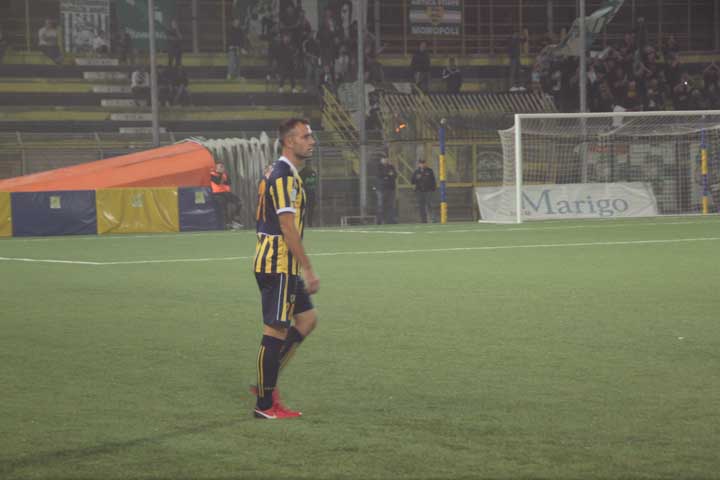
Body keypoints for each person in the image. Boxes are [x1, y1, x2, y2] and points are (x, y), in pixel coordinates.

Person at [252, 118, 319, 419]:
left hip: (282, 263)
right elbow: (287, 227)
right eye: (305, 137)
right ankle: (264, 405)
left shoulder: (280, 172)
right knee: (275, 330)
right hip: (278, 263)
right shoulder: (283, 176)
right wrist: (308, 269)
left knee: (306, 319)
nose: (312, 141)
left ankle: (266, 381)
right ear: (289, 141)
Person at [210, 162, 242, 229]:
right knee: (224, 207)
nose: (222, 168)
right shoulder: (212, 174)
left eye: (223, 167)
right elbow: (217, 182)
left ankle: (234, 219)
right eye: (220, 167)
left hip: (226, 193)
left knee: (239, 203)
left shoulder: (225, 175)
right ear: (216, 168)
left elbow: (229, 182)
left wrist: (222, 176)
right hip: (217, 194)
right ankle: (227, 224)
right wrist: (221, 175)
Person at [411, 159, 437, 223]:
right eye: (421, 163)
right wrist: (417, 178)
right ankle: (423, 220)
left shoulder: (429, 171)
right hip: (420, 191)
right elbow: (412, 181)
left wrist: (433, 188)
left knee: (429, 204)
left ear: (425, 163)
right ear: (419, 164)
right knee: (421, 206)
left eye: (423, 163)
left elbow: (433, 180)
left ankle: (433, 218)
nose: (422, 164)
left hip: (428, 190)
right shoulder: (416, 172)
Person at [375, 156, 398, 224]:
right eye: (384, 159)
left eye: (386, 159)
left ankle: (390, 220)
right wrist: (389, 174)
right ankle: (380, 220)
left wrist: (387, 175)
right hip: (381, 189)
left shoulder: (391, 166)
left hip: (391, 188)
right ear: (381, 160)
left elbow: (395, 175)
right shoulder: (378, 166)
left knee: (391, 205)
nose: (386, 160)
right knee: (380, 205)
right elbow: (380, 174)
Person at [299, 160, 318, 227]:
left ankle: (310, 223)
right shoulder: (302, 172)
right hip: (304, 193)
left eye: (310, 164)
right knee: (303, 208)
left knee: (311, 208)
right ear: (306, 164)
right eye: (308, 164)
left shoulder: (313, 172)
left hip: (312, 193)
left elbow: (315, 182)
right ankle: (302, 223)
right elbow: (301, 183)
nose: (310, 165)